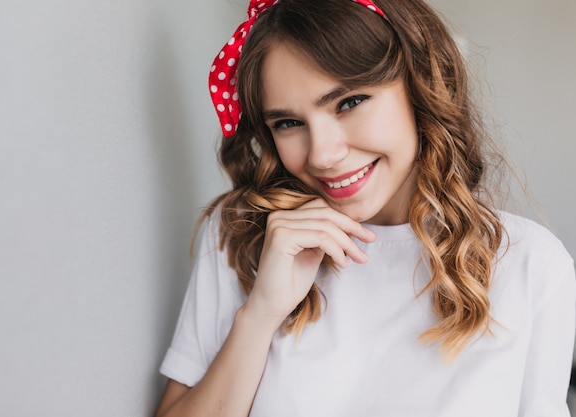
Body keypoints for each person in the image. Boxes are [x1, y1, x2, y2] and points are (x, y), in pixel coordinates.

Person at [156, 0, 576, 415]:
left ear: (419, 86)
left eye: (349, 102)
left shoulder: (529, 264)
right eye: (288, 123)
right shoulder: (243, 235)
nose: (322, 155)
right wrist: (260, 313)